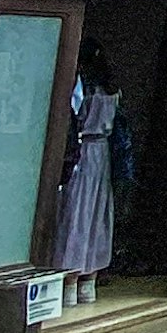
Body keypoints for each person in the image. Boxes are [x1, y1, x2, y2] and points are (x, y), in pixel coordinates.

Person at [53, 45, 123, 309]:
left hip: (82, 151)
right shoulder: (112, 90)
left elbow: (73, 116)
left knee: (75, 213)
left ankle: (69, 282)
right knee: (96, 214)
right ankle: (89, 282)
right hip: (101, 153)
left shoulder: (83, 87)